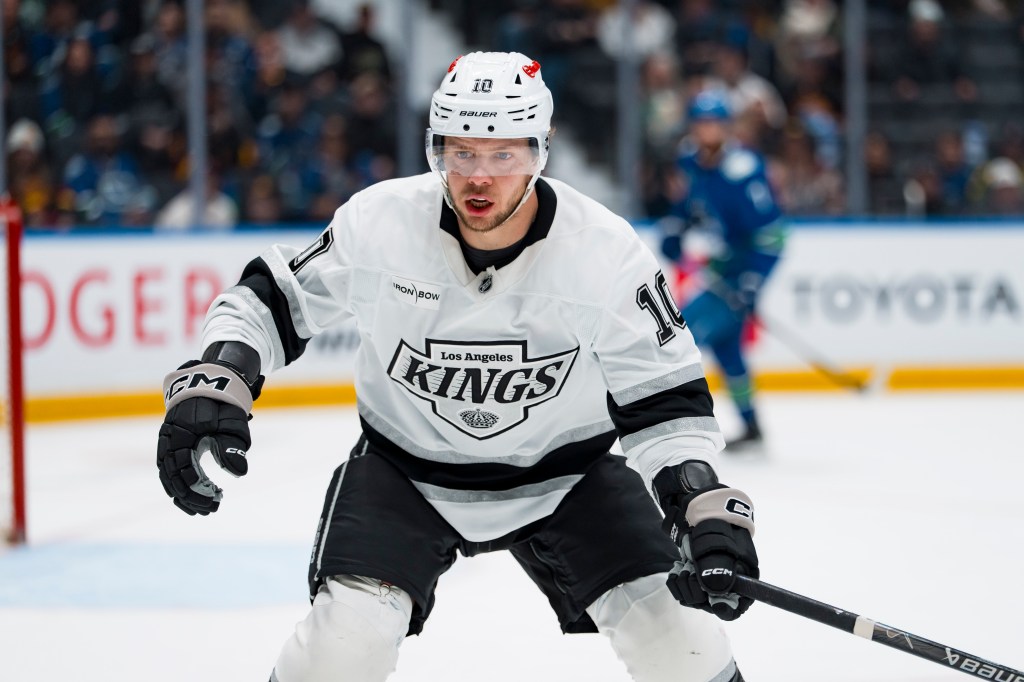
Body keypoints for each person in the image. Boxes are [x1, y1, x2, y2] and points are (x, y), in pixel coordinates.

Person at [156, 52, 758, 682]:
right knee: (341, 650)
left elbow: (666, 403)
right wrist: (221, 375)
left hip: (567, 475)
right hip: (406, 471)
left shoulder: (603, 252)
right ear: (434, 148)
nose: (479, 177)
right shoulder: (380, 222)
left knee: (683, 645)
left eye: (504, 155)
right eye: (461, 152)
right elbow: (271, 299)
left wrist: (701, 502)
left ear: (541, 151)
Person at [661, 90, 786, 448]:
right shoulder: (689, 159)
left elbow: (773, 236)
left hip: (740, 269)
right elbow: (687, 203)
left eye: (714, 122)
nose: (707, 130)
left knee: (681, 340)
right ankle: (752, 426)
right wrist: (675, 227)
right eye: (701, 122)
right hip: (722, 265)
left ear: (726, 126)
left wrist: (752, 281)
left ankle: (674, 427)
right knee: (729, 350)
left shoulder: (744, 169)